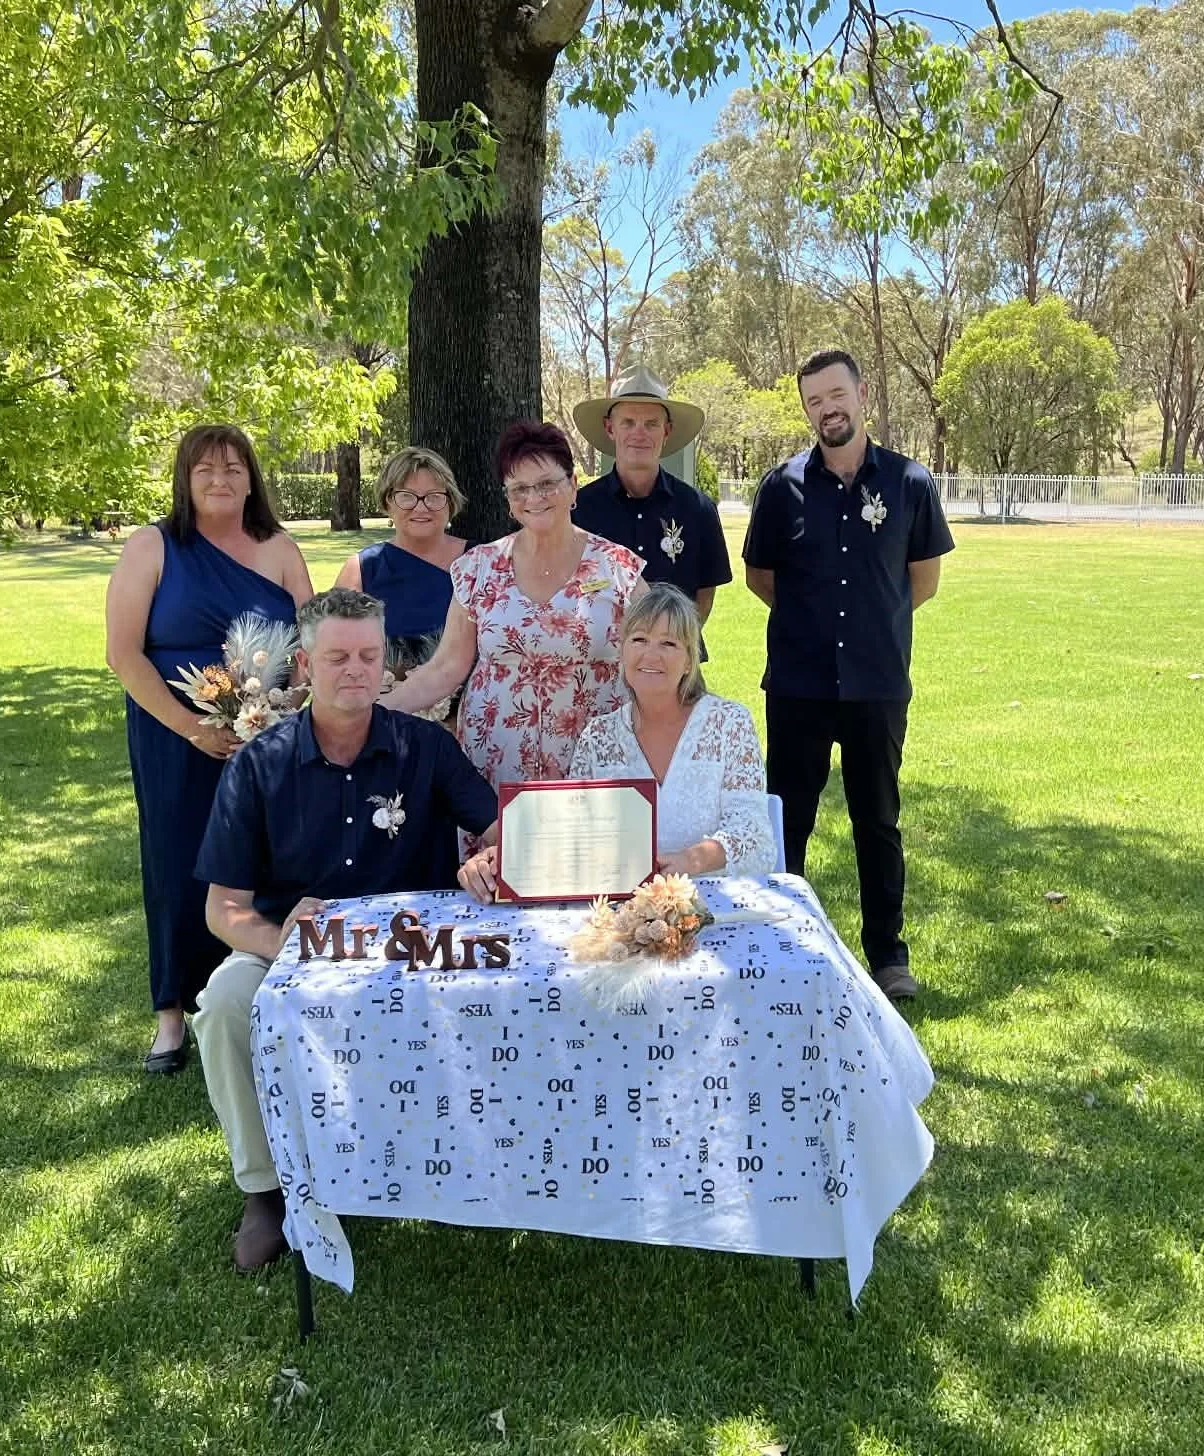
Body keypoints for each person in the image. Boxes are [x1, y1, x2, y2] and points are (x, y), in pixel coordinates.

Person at [190, 589, 502, 1270]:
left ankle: (479, 1160)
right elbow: (224, 908)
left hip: (415, 949)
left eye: (368, 655)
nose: (356, 669)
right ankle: (265, 1188)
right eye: (338, 656)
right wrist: (284, 941)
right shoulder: (260, 764)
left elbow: (498, 832)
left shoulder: (425, 747)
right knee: (221, 1007)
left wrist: (488, 857)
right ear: (305, 664)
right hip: (297, 949)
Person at [742, 350, 953, 1003]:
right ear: (806, 408)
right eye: (814, 401)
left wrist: (866, 624)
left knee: (878, 819)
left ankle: (889, 956)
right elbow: (760, 577)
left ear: (862, 394)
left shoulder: (910, 483)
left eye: (837, 395)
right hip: (799, 685)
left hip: (877, 684)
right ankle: (781, 943)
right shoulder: (781, 487)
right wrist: (813, 624)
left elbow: (920, 582)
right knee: (789, 819)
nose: (827, 409)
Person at [105, 424, 313, 1073]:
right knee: (174, 862)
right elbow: (124, 654)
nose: (220, 479)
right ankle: (172, 1014)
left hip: (267, 737)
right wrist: (192, 727)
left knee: (270, 861)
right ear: (185, 481)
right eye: (205, 470)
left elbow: (310, 641)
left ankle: (257, 996)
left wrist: (284, 709)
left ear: (252, 478)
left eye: (232, 468)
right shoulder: (154, 546)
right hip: (174, 738)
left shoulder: (278, 547)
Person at [456, 584, 772, 900]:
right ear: (622, 652)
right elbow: (570, 836)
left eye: (669, 643)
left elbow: (753, 834)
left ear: (690, 661)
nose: (651, 654)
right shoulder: (599, 737)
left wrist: (692, 859)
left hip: (717, 903)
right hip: (625, 913)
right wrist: (502, 858)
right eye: (639, 640)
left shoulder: (730, 723)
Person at [386, 419, 647, 798]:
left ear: (573, 486)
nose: (534, 497)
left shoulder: (618, 568)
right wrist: (369, 717)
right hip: (496, 758)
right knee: (499, 856)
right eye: (519, 488)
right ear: (508, 500)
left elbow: (660, 655)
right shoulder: (480, 567)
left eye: (546, 484)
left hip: (595, 759)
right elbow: (445, 667)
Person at [572, 367, 730, 637]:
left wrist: (671, 646)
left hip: (676, 666)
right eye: (628, 422)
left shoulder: (697, 508)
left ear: (667, 431)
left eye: (651, 424)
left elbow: (705, 594)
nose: (639, 433)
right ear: (610, 428)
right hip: (596, 666)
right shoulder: (579, 510)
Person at [331, 447, 468, 716]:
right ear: (387, 503)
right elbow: (334, 655)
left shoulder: (479, 562)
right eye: (406, 497)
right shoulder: (361, 570)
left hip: (468, 719)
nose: (421, 507)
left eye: (434, 497)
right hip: (387, 718)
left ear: (450, 503)